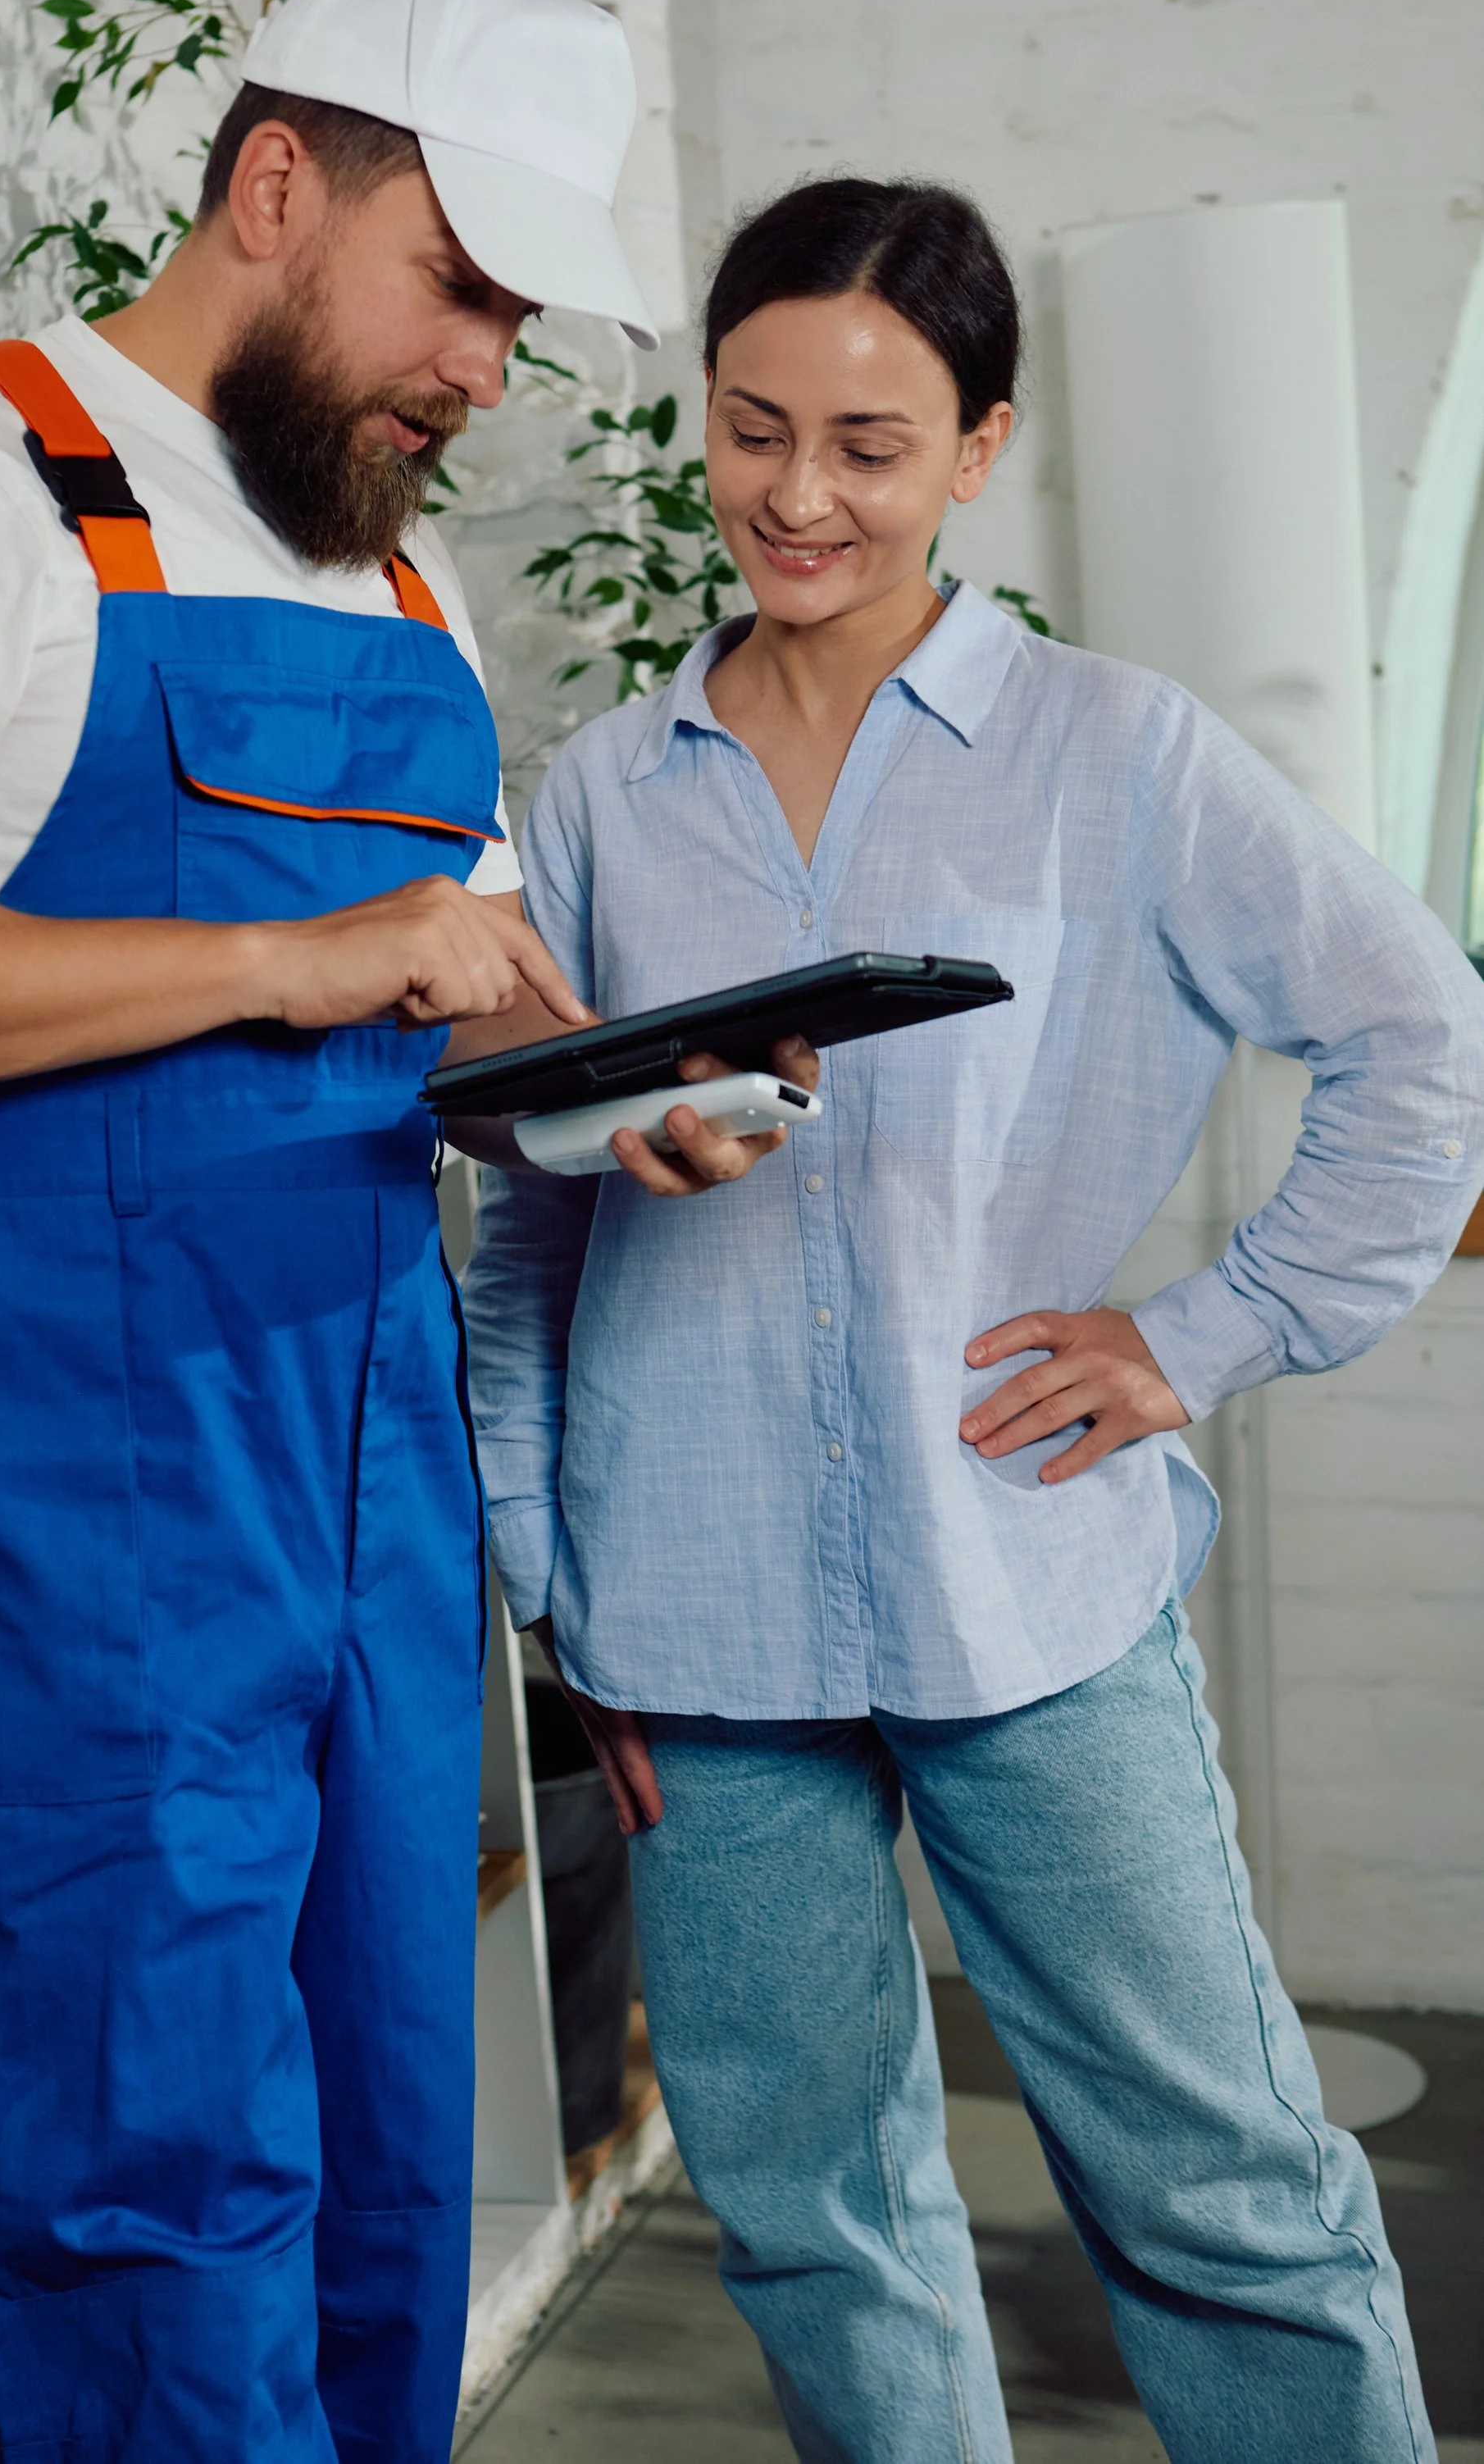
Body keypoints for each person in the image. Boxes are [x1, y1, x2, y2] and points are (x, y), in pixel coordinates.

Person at [0, 0, 781, 2464]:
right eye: (455, 284)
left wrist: (616, 1086)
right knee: (153, 2205)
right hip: (75, 1492)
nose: (484, 365)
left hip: (364, 1478)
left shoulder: (398, 576)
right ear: (275, 186)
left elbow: (455, 995)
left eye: (516, 316)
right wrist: (292, 955)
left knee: (390, 2172)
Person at [462, 175, 1484, 2464]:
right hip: (691, 1621)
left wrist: (1198, 1336)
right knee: (811, 2216)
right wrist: (551, 1577)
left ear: (978, 446)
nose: (796, 497)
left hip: (1030, 1586)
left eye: (868, 444)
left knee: (1221, 2184)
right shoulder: (605, 795)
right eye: (752, 430)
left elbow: (1424, 1033)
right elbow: (527, 1225)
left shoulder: (1117, 752)